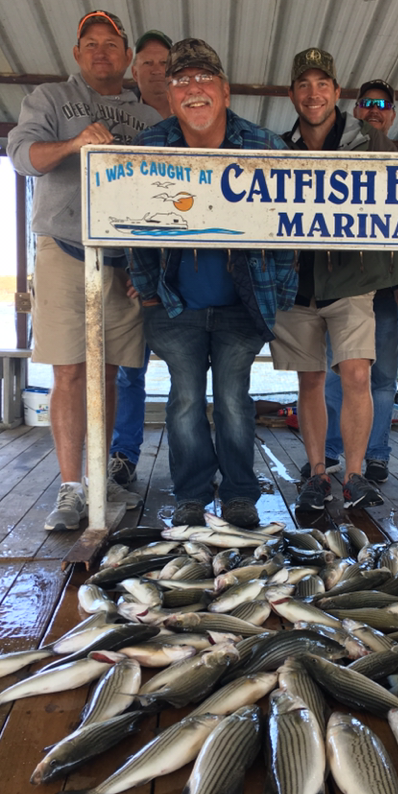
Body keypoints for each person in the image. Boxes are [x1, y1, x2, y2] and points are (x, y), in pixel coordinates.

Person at [127, 38, 298, 529]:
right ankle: (191, 495)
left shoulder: (266, 147)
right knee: (183, 400)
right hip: (174, 305)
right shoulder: (148, 147)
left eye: (204, 79)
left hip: (241, 306)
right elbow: (130, 229)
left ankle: (241, 493)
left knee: (233, 399)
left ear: (224, 91)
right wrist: (148, 285)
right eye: (181, 81)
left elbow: (291, 231)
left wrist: (281, 292)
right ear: (170, 93)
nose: (193, 89)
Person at [7, 10, 159, 531]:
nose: (100, 52)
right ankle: (71, 488)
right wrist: (75, 144)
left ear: (127, 57)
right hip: (65, 250)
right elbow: (22, 155)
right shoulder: (48, 99)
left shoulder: (148, 117)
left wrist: (143, 259)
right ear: (77, 54)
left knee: (111, 370)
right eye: (90, 44)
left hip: (121, 261)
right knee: (69, 371)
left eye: (111, 44)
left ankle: (99, 476)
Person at [272, 48, 398, 512]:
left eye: (322, 84)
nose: (314, 93)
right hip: (297, 282)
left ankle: (353, 473)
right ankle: (316, 473)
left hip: (353, 278)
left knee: (357, 372)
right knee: (309, 379)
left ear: (337, 93)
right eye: (304, 85)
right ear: (293, 94)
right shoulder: (278, 147)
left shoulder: (373, 142)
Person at [323, 78, 398, 485]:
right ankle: (329, 453)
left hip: (387, 288)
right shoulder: (339, 150)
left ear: (392, 115)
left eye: (384, 105)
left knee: (384, 376)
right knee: (339, 372)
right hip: (345, 282)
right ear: (355, 110)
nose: (375, 109)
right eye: (367, 103)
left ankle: (377, 455)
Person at [108, 30, 173, 488]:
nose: (155, 70)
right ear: (135, 69)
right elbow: (120, 203)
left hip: (187, 273)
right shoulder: (127, 124)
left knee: (193, 373)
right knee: (130, 370)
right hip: (138, 272)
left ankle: (195, 461)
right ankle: (123, 455)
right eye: (147, 63)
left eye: (163, 63)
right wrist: (137, 263)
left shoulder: (197, 124)